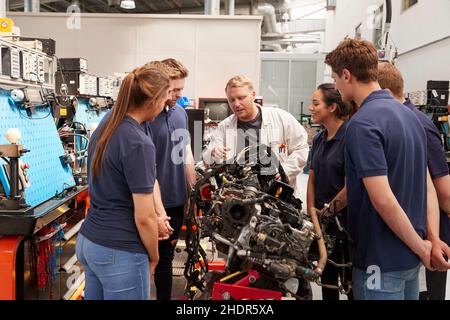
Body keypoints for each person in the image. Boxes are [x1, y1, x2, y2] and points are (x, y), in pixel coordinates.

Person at [325, 38, 433, 300]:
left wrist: (421, 246)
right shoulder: (411, 116)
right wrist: (430, 241)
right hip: (409, 260)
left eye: (335, 78)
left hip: (380, 261)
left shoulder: (362, 124)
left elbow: (383, 199)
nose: (336, 86)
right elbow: (425, 185)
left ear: (347, 75)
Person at [76, 62, 172, 300]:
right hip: (120, 251)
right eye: (165, 99)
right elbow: (144, 217)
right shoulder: (138, 142)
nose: (165, 105)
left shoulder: (108, 123)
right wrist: (155, 256)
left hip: (90, 242)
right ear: (153, 101)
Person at [378, 62, 450, 300]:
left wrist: (433, 238)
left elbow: (443, 190)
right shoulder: (398, 120)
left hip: (429, 236)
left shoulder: (417, 123)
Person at [203, 75, 309, 192]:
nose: (236, 104)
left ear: (253, 95)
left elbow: (301, 148)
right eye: (231, 100)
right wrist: (212, 152)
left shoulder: (281, 118)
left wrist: (285, 170)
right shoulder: (224, 126)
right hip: (240, 194)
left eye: (241, 97)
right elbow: (207, 158)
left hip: (276, 193)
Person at [146, 58, 196, 300]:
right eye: (174, 90)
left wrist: (193, 192)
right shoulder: (145, 116)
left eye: (181, 90)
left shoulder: (180, 114)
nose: (178, 95)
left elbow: (185, 152)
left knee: (166, 259)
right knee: (145, 260)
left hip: (175, 201)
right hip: (146, 204)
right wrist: (156, 212)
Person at [306, 83, 353, 300]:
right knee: (327, 282)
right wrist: (312, 214)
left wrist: (325, 213)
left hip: (347, 224)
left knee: (350, 282)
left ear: (332, 107)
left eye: (316, 103)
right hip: (322, 223)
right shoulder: (319, 138)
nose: (311, 108)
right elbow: (312, 178)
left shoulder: (350, 138)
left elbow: (350, 187)